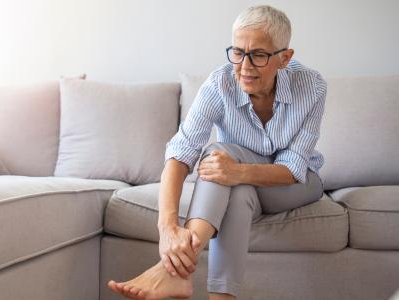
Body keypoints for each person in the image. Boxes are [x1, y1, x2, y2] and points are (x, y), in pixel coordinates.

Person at [108, 4, 326, 300]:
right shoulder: (219, 83)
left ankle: (170, 272)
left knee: (218, 152)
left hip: (297, 184)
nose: (245, 66)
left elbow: (293, 168)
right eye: (238, 52)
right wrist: (168, 229)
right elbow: (180, 153)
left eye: (259, 55)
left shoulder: (312, 87)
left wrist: (237, 171)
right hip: (241, 185)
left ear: (284, 58)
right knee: (237, 194)